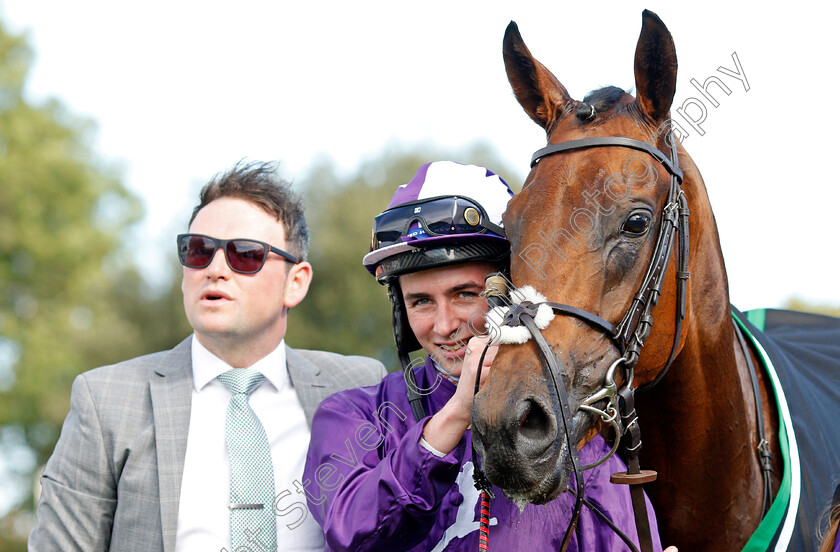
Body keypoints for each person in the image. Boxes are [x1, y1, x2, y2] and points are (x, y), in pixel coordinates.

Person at [303, 161, 670, 551]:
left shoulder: (579, 444)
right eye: (421, 302)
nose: (444, 325)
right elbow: (353, 534)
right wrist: (457, 414)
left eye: (464, 294)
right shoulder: (350, 417)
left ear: (514, 294)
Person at [29, 161, 387, 552]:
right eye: (199, 251)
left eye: (246, 255)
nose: (215, 269)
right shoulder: (107, 401)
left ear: (295, 282)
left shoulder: (358, 387)